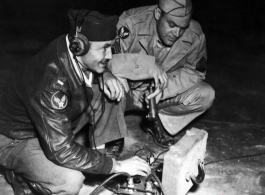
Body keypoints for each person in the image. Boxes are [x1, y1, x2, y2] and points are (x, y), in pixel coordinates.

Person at [0, 9, 158, 195]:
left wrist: (106, 73)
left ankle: (102, 159)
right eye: (104, 48)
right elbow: (61, 150)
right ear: (79, 46)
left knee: (112, 88)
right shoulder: (51, 84)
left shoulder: (72, 47)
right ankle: (22, 175)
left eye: (111, 47)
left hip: (49, 123)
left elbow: (94, 65)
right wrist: (115, 166)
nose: (109, 55)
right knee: (71, 180)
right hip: (16, 139)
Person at [107, 0, 215, 148]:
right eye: (171, 25)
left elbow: (194, 71)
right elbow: (105, 60)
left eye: (182, 28)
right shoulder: (130, 23)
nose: (176, 33)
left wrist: (164, 89)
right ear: (158, 14)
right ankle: (114, 132)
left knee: (205, 94)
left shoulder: (195, 34)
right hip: (125, 93)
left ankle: (156, 121)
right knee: (109, 80)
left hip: (156, 97)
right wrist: (147, 65)